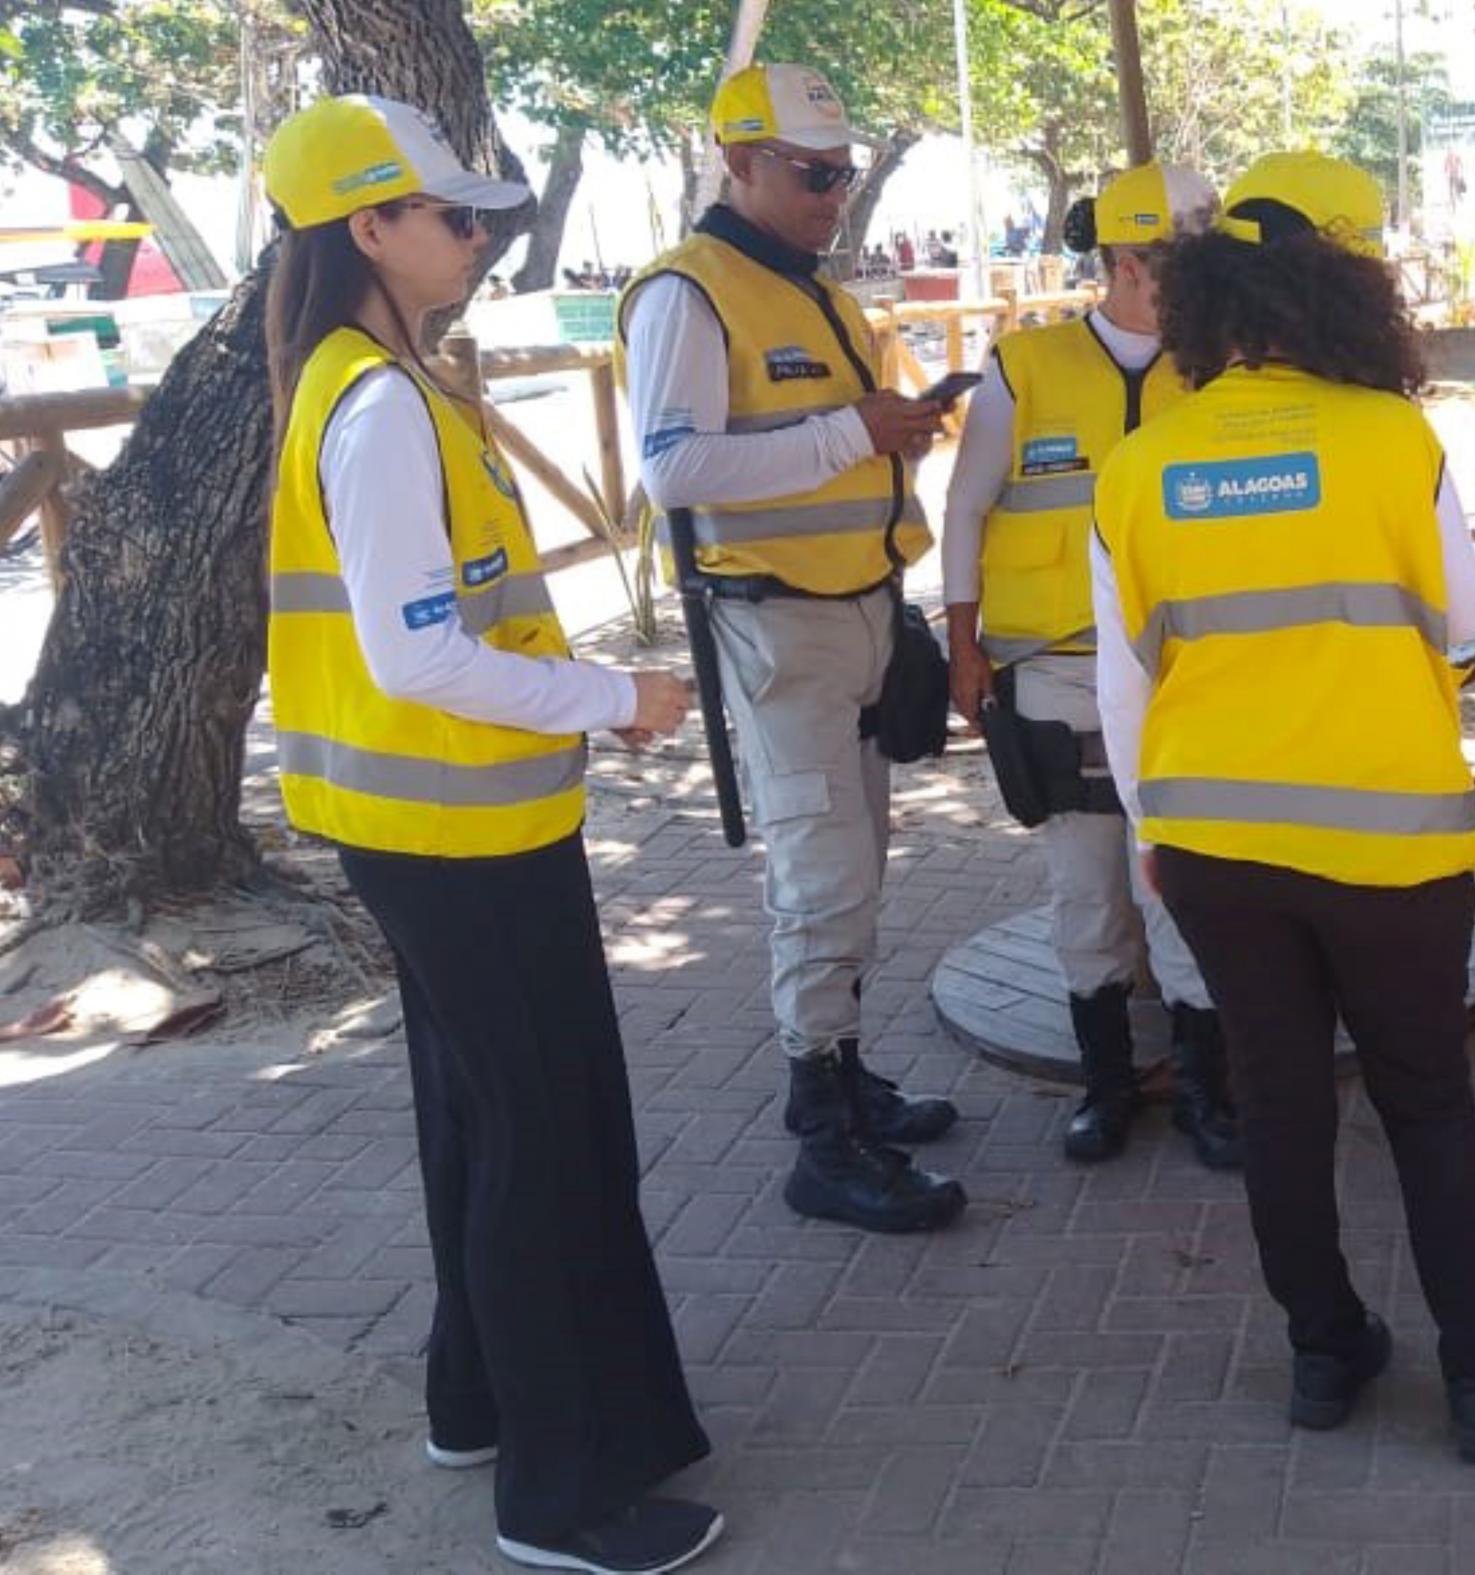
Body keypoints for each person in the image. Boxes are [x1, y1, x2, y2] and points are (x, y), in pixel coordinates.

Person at [259, 96, 720, 1573]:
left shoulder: (365, 376)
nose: (480, 236)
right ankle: (562, 1491)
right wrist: (615, 695)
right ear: (368, 228)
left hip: (439, 826)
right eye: (455, 214)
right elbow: (418, 655)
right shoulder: (381, 401)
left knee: (483, 1116)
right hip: (458, 832)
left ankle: (480, 1400)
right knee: (549, 1137)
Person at [1092, 151, 1475, 1464]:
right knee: (1427, 1099)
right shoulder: (1392, 436)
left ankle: (1323, 1351)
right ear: (1343, 285)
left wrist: (1152, 840)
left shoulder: (1142, 462)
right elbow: (1460, 628)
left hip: (1217, 849)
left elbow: (1124, 689)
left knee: (1281, 1101)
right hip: (1387, 846)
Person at [616, 63, 965, 1235]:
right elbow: (671, 469)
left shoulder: (810, 290)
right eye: (814, 175)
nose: (833, 194)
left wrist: (890, 435)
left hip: (855, 609)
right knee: (821, 878)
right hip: (778, 624)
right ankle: (824, 1135)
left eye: (843, 174)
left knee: (855, 866)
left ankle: (844, 1073)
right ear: (741, 164)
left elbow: (824, 445)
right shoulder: (690, 292)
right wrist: (850, 431)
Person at [941, 165, 1238, 1168]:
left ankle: (1203, 1089)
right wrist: (960, 644)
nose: (1191, 286)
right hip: (1054, 669)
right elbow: (965, 509)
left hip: (1183, 677)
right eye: (1170, 265)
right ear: (1119, 262)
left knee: (1180, 886)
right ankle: (1108, 1084)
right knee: (1087, 888)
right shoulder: (1022, 367)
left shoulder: (1220, 372)